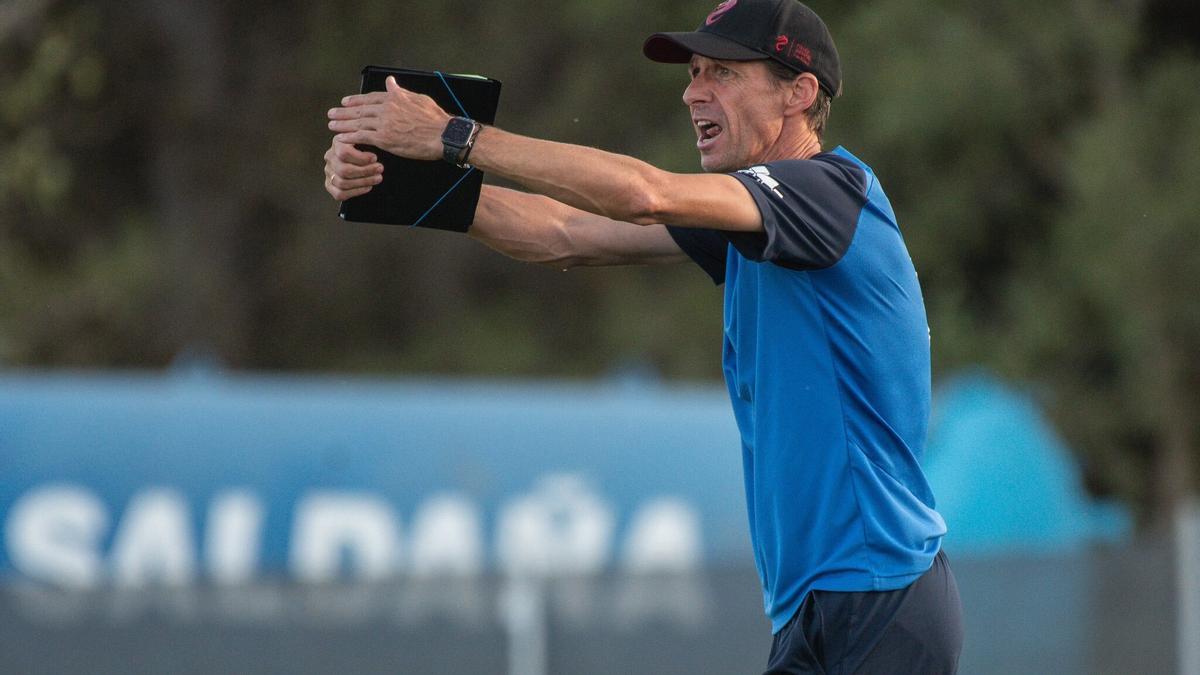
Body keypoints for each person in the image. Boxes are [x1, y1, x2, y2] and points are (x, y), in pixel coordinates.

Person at [323, 0, 963, 671]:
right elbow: (561, 234)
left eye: (721, 72)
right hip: (819, 607)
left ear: (799, 93)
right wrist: (399, 183)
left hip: (879, 594)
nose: (693, 92)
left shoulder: (828, 191)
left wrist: (457, 137)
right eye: (692, 72)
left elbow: (646, 194)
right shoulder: (758, 220)